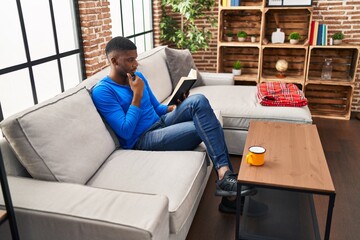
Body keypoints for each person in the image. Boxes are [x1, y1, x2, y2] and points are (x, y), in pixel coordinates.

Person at [91, 36, 261, 213]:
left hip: (160, 122)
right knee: (205, 127)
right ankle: (229, 193)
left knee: (198, 101)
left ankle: (224, 176)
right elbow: (126, 132)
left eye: (136, 58)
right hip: (142, 139)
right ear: (114, 61)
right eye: (130, 60)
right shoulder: (103, 91)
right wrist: (137, 96)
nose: (136, 64)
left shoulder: (137, 77)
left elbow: (157, 108)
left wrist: (175, 107)